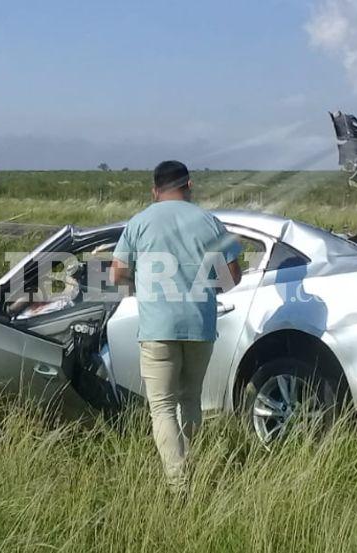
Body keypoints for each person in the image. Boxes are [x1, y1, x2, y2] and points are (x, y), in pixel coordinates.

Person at [109, 160, 242, 489]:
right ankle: (193, 465)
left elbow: (116, 273)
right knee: (190, 399)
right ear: (189, 185)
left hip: (158, 328)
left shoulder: (140, 222)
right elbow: (233, 275)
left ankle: (178, 484)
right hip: (200, 325)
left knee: (162, 406)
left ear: (154, 190)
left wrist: (140, 287)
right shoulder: (208, 221)